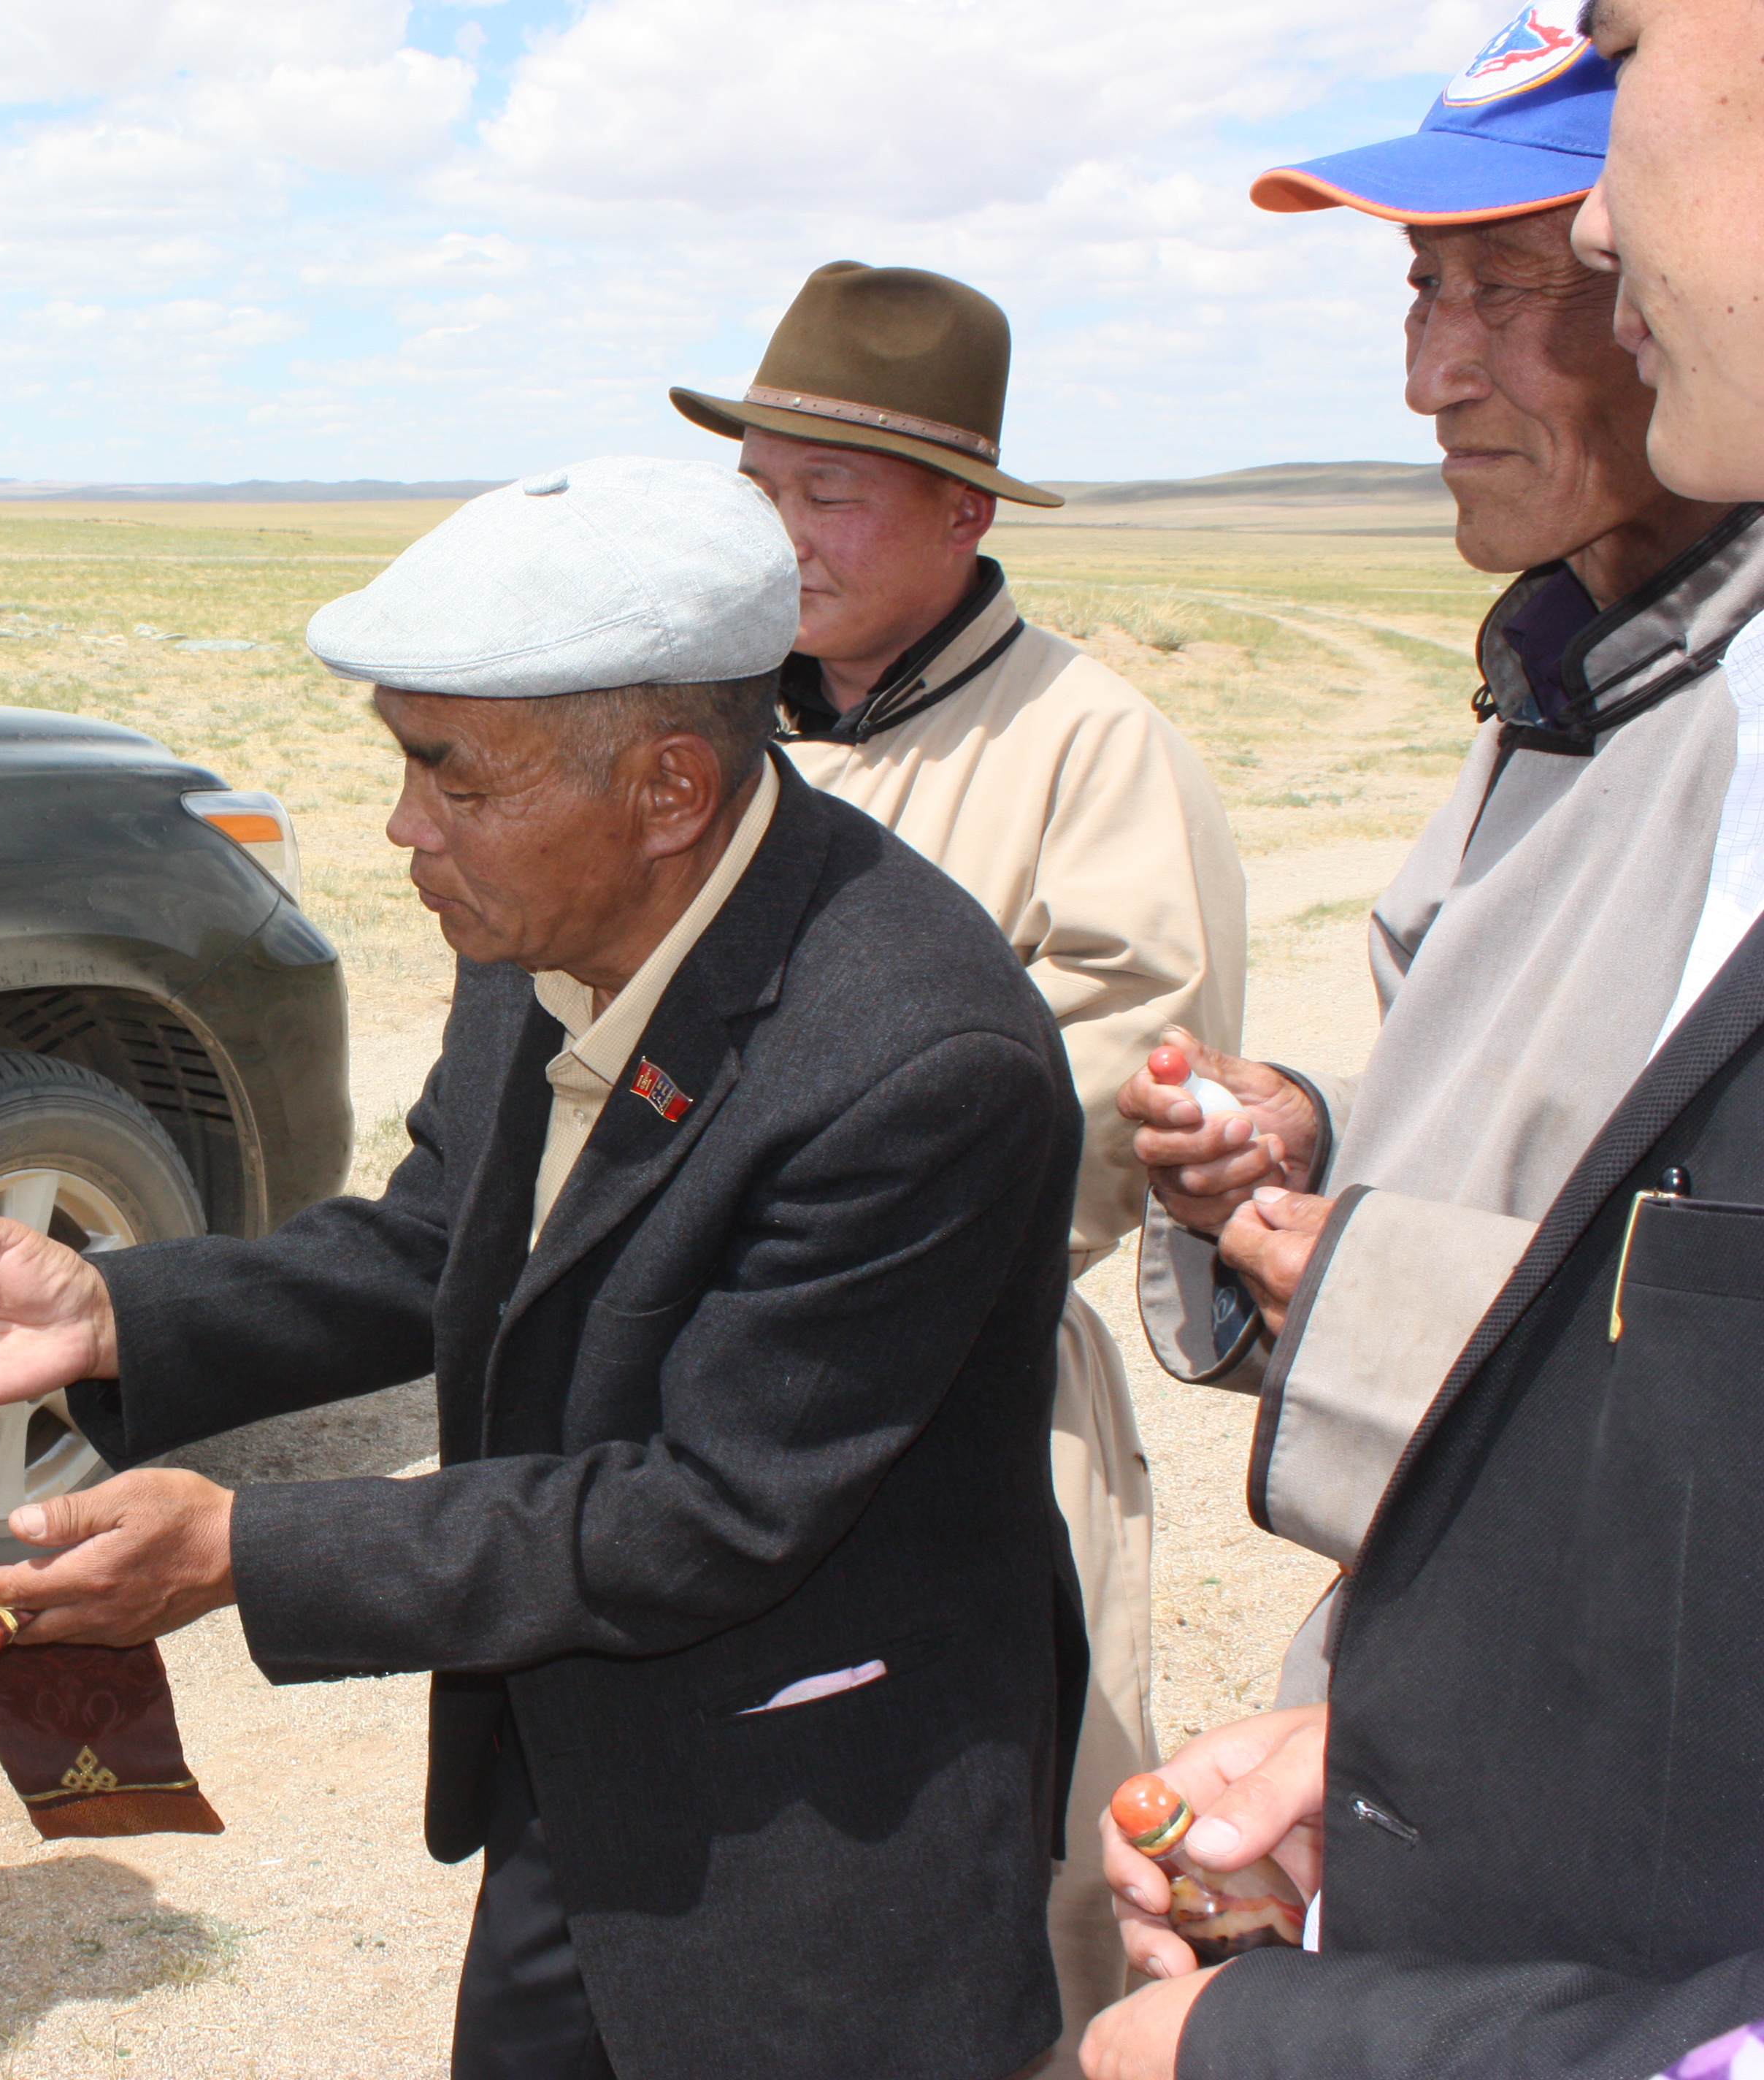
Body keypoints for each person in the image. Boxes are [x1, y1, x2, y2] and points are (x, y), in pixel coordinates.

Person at [0, 455, 1089, 2080]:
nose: (406, 829)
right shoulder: (547, 914)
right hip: (582, 1763)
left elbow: (708, 1507)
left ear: (670, 788)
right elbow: (433, 1237)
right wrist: (109, 1304)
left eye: (452, 778)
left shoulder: (917, 1056)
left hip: (814, 1826)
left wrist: (247, 1545)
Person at [1079, 3, 1764, 2068]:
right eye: (1417, 287)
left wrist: (1353, 1273)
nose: (1427, 372)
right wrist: (1306, 1132)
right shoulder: (1570, 670)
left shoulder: (1736, 734)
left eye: (1513, 289)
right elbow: (1609, 1134)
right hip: (1449, 1701)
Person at [671, 260, 1246, 2066]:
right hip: (693, 1407)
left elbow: (1126, 1070)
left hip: (962, 1402)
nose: (786, 534)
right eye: (761, 487)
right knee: (732, 1848)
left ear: (963, 513)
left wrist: (813, 1218)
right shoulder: (708, 727)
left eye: (831, 491)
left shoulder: (1089, 748)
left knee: (1009, 1861)